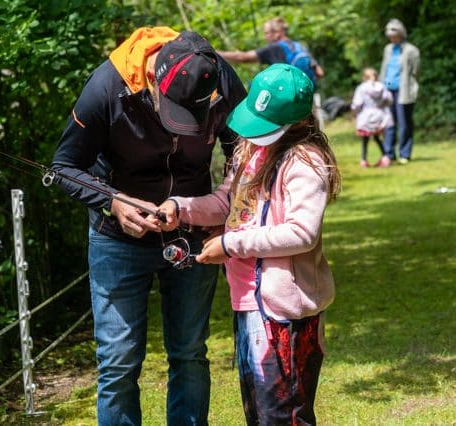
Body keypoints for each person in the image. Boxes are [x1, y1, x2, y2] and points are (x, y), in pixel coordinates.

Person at [51, 27, 247, 425]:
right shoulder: (108, 87)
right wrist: (112, 202)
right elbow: (64, 167)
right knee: (119, 363)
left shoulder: (218, 76)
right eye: (175, 111)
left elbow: (245, 154)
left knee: (190, 353)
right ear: (154, 79)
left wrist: (228, 212)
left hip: (192, 232)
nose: (182, 126)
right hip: (117, 240)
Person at [159, 64, 341, 425]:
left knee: (284, 415)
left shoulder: (305, 162)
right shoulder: (248, 152)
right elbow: (227, 203)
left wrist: (229, 245)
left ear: (297, 123)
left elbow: (301, 233)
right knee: (258, 414)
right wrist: (181, 208)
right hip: (247, 302)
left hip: (284, 312)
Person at [216, 17, 325, 89]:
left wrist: (213, 52)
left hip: (288, 99)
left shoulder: (274, 48)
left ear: (277, 33)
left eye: (267, 33)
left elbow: (241, 57)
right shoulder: (299, 46)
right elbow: (320, 73)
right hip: (307, 93)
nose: (265, 37)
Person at [380, 18, 420, 164]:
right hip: (388, 90)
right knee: (389, 123)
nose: (391, 37)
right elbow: (385, 69)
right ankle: (389, 154)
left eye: (394, 34)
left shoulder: (411, 50)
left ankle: (405, 154)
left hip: (404, 91)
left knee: (404, 124)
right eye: (389, 34)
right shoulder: (388, 49)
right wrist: (383, 86)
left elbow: (416, 72)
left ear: (401, 33)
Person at [351, 67, 393, 168]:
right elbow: (389, 100)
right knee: (377, 137)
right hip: (379, 115)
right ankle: (386, 157)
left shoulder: (361, 88)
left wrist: (355, 110)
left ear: (364, 77)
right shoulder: (382, 87)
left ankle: (364, 160)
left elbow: (357, 103)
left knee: (365, 139)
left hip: (366, 116)